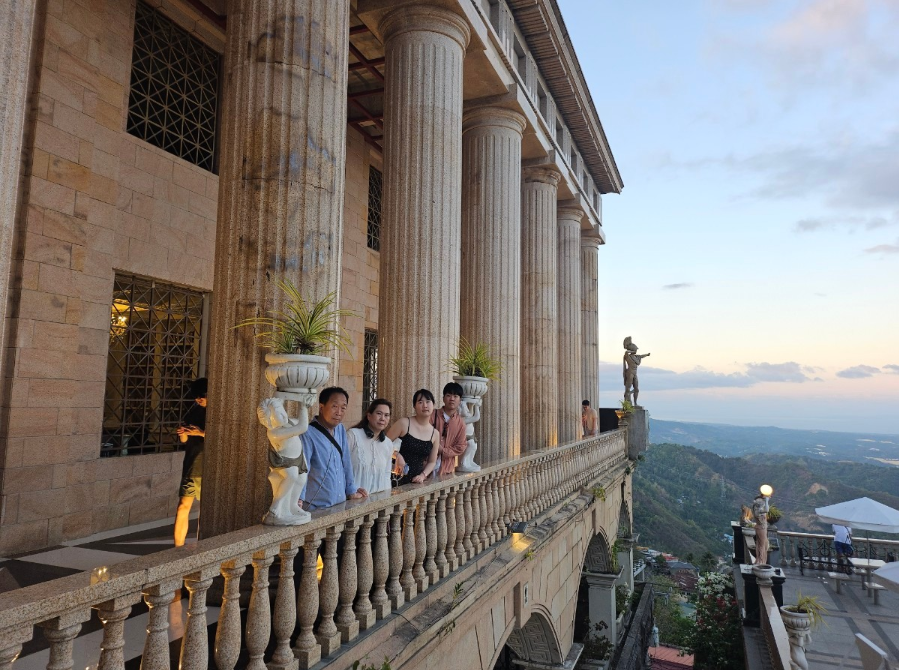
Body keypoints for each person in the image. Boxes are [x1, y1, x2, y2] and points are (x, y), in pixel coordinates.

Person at [300, 387, 368, 510]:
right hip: (315, 506)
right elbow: (303, 468)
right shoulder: (308, 433)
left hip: (340, 504)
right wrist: (299, 498)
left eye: (343, 408)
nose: (339, 412)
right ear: (321, 407)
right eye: (334, 406)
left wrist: (351, 490)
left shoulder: (340, 429)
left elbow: (346, 462)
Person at [175, 378, 207, 547]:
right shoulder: (193, 411)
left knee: (205, 512)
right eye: (196, 397)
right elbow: (185, 440)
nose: (197, 399)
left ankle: (202, 546)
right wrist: (183, 432)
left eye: (200, 396)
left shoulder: (215, 412)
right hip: (191, 464)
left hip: (207, 466)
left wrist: (201, 433)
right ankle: (177, 550)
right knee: (182, 506)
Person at [347, 399, 402, 495]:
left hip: (377, 502)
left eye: (386, 415)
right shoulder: (353, 435)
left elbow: (386, 475)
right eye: (379, 413)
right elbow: (341, 467)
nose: (382, 418)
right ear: (369, 416)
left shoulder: (388, 443)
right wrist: (350, 492)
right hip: (353, 500)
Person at [386, 389, 440, 485]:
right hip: (394, 477)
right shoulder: (403, 423)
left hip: (416, 481)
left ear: (433, 405)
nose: (425, 405)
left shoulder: (435, 433)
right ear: (414, 406)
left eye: (428, 401)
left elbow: (432, 462)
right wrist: (397, 455)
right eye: (420, 402)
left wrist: (423, 475)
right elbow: (383, 444)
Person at [431, 382, 467, 476]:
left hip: (446, 469)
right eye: (448, 395)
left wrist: (443, 451)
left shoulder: (461, 424)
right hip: (426, 466)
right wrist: (435, 446)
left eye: (455, 396)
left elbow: (461, 446)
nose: (452, 399)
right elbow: (422, 434)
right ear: (443, 398)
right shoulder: (432, 415)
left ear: (460, 400)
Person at [622, 336, 650, 406]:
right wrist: (632, 351)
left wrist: (647, 354)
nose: (636, 351)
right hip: (630, 372)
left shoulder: (636, 357)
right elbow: (626, 352)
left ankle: (635, 403)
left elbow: (641, 356)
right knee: (628, 388)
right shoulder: (628, 356)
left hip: (635, 373)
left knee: (636, 389)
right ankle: (627, 400)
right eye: (635, 349)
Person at [751, 491, 771, 565]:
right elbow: (767, 510)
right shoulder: (759, 510)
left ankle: (759, 560)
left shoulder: (757, 510)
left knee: (760, 544)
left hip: (760, 528)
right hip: (761, 528)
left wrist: (766, 499)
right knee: (763, 545)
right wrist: (766, 500)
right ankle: (761, 561)